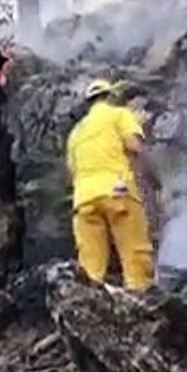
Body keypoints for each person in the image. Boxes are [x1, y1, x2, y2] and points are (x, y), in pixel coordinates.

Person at [65, 78, 156, 291]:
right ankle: (141, 293)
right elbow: (135, 147)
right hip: (117, 191)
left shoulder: (76, 133)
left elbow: (72, 170)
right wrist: (153, 178)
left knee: (90, 264)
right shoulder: (119, 115)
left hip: (84, 199)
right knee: (135, 251)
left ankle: (88, 303)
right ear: (111, 97)